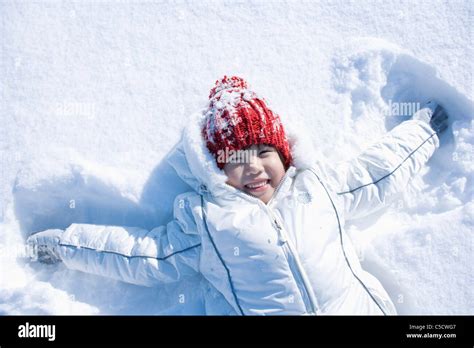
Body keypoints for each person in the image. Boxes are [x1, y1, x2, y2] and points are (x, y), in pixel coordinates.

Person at [26, 76, 449, 315]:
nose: (253, 167)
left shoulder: (320, 189)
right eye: (235, 158)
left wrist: (424, 131)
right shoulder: (208, 224)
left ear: (284, 155)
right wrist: (65, 246)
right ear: (216, 169)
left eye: (264, 152)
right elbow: (140, 255)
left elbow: (377, 172)